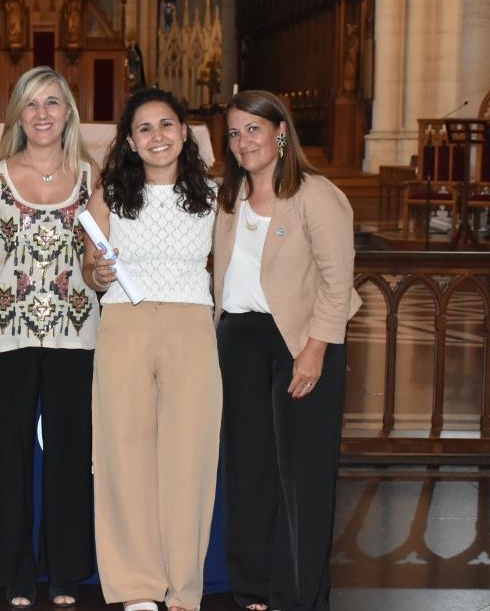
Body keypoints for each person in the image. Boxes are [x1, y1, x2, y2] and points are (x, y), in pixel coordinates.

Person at [214, 90, 361, 611]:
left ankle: (298, 595)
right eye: (233, 133)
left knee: (302, 476)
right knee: (248, 470)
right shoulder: (227, 198)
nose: (242, 141)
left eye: (253, 129)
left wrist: (316, 348)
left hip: (302, 339)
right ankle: (254, 586)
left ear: (280, 132)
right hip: (240, 340)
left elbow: (337, 282)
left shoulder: (315, 194)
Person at [0, 66, 99, 610]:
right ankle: (15, 571)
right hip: (6, 330)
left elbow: (96, 259)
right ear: (18, 114)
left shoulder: (93, 178)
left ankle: (65, 570)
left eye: (53, 103)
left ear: (68, 112)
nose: (43, 114)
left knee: (70, 455)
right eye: (31, 104)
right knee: (9, 454)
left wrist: (101, 273)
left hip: (76, 331)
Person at [83, 88, 221, 611]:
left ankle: (183, 588)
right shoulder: (111, 194)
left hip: (191, 325)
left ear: (185, 133)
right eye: (145, 128)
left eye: (167, 125)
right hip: (124, 324)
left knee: (190, 457)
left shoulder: (214, 195)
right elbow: (90, 268)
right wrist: (95, 272)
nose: (157, 136)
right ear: (130, 141)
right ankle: (138, 587)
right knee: (123, 453)